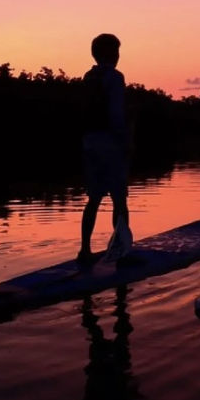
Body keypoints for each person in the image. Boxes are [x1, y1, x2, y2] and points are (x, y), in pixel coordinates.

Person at [79, 33, 130, 264]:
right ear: (111, 54)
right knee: (119, 201)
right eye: (117, 51)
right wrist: (125, 142)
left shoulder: (88, 77)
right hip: (110, 143)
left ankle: (85, 250)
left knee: (94, 199)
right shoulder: (115, 77)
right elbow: (116, 113)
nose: (119, 56)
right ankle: (122, 252)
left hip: (89, 142)